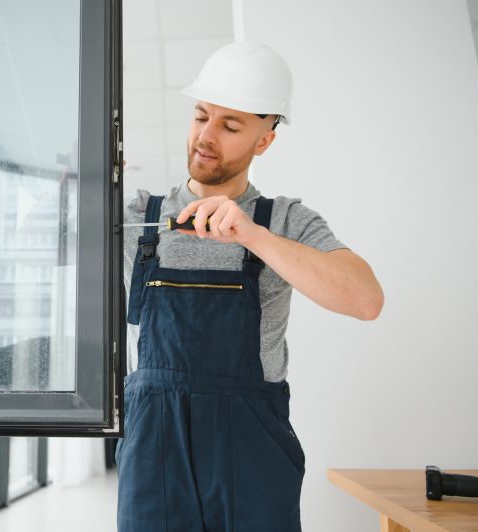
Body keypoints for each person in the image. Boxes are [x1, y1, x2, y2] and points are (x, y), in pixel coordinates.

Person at [115, 41, 384, 531]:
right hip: (155, 446)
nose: (206, 136)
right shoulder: (140, 218)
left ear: (264, 140)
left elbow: (365, 300)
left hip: (250, 450)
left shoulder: (285, 220)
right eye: (201, 116)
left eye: (230, 125)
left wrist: (252, 235)